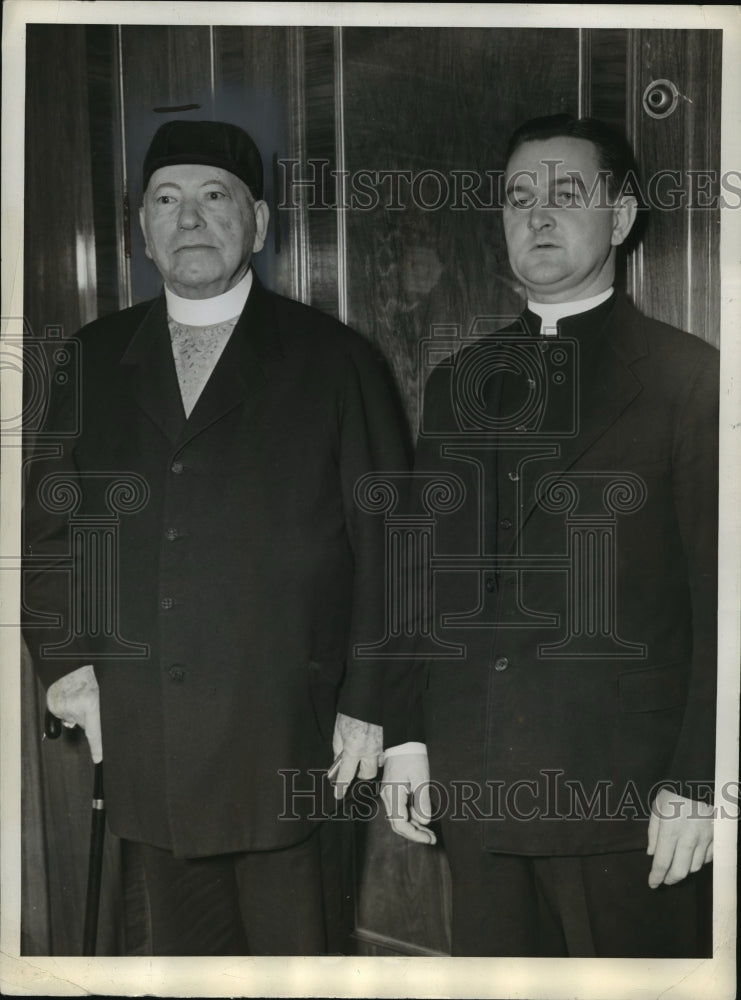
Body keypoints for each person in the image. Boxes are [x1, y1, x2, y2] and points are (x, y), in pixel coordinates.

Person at [22, 119, 408, 956]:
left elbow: (393, 546)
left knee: (296, 962)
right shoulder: (91, 359)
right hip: (147, 735)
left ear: (260, 224)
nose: (188, 219)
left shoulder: (335, 360)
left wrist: (368, 707)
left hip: (292, 738)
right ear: (141, 232)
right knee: (185, 963)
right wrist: (65, 666)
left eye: (212, 197)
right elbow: (50, 534)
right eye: (166, 200)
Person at [381, 114, 718, 957]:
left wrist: (699, 782)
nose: (538, 216)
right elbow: (424, 581)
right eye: (518, 198)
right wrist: (411, 738)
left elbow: (728, 603)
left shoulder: (691, 379)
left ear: (622, 216)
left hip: (625, 796)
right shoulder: (457, 382)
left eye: (567, 194)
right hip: (476, 784)